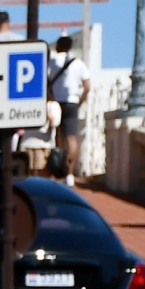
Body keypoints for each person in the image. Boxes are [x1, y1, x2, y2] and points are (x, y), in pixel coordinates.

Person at [48, 34, 91, 181]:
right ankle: (70, 173)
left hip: (55, 102)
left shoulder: (52, 62)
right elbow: (87, 86)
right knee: (71, 138)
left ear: (58, 46)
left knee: (56, 137)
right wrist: (80, 101)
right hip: (72, 102)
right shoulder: (79, 63)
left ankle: (56, 170)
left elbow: (46, 81)